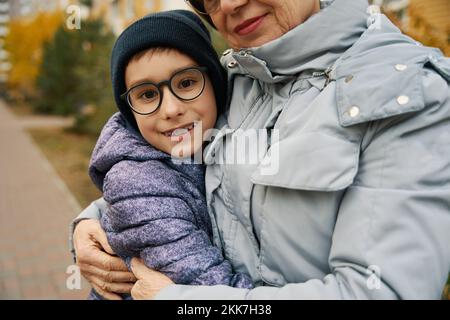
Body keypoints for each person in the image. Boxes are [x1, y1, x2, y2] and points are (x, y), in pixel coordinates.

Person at [71, 0, 450, 300]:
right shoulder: (239, 80)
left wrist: (178, 299)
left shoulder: (407, 94)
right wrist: (93, 222)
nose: (230, 4)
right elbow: (167, 168)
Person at [83, 10, 253, 300]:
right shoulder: (137, 182)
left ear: (214, 82)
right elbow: (204, 283)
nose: (171, 109)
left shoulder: (206, 148)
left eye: (186, 83)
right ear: (130, 112)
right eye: (147, 94)